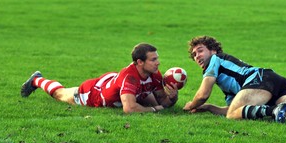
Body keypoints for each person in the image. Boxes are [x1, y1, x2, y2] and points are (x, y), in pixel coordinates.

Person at [21, 43, 179, 113]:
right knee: (60, 94)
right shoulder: (130, 77)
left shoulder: (155, 73)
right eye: (153, 59)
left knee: (149, 100)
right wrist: (152, 109)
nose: (158, 62)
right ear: (139, 62)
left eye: (157, 58)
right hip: (93, 92)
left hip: (113, 81)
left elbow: (164, 104)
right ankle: (37, 80)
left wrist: (173, 97)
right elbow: (129, 109)